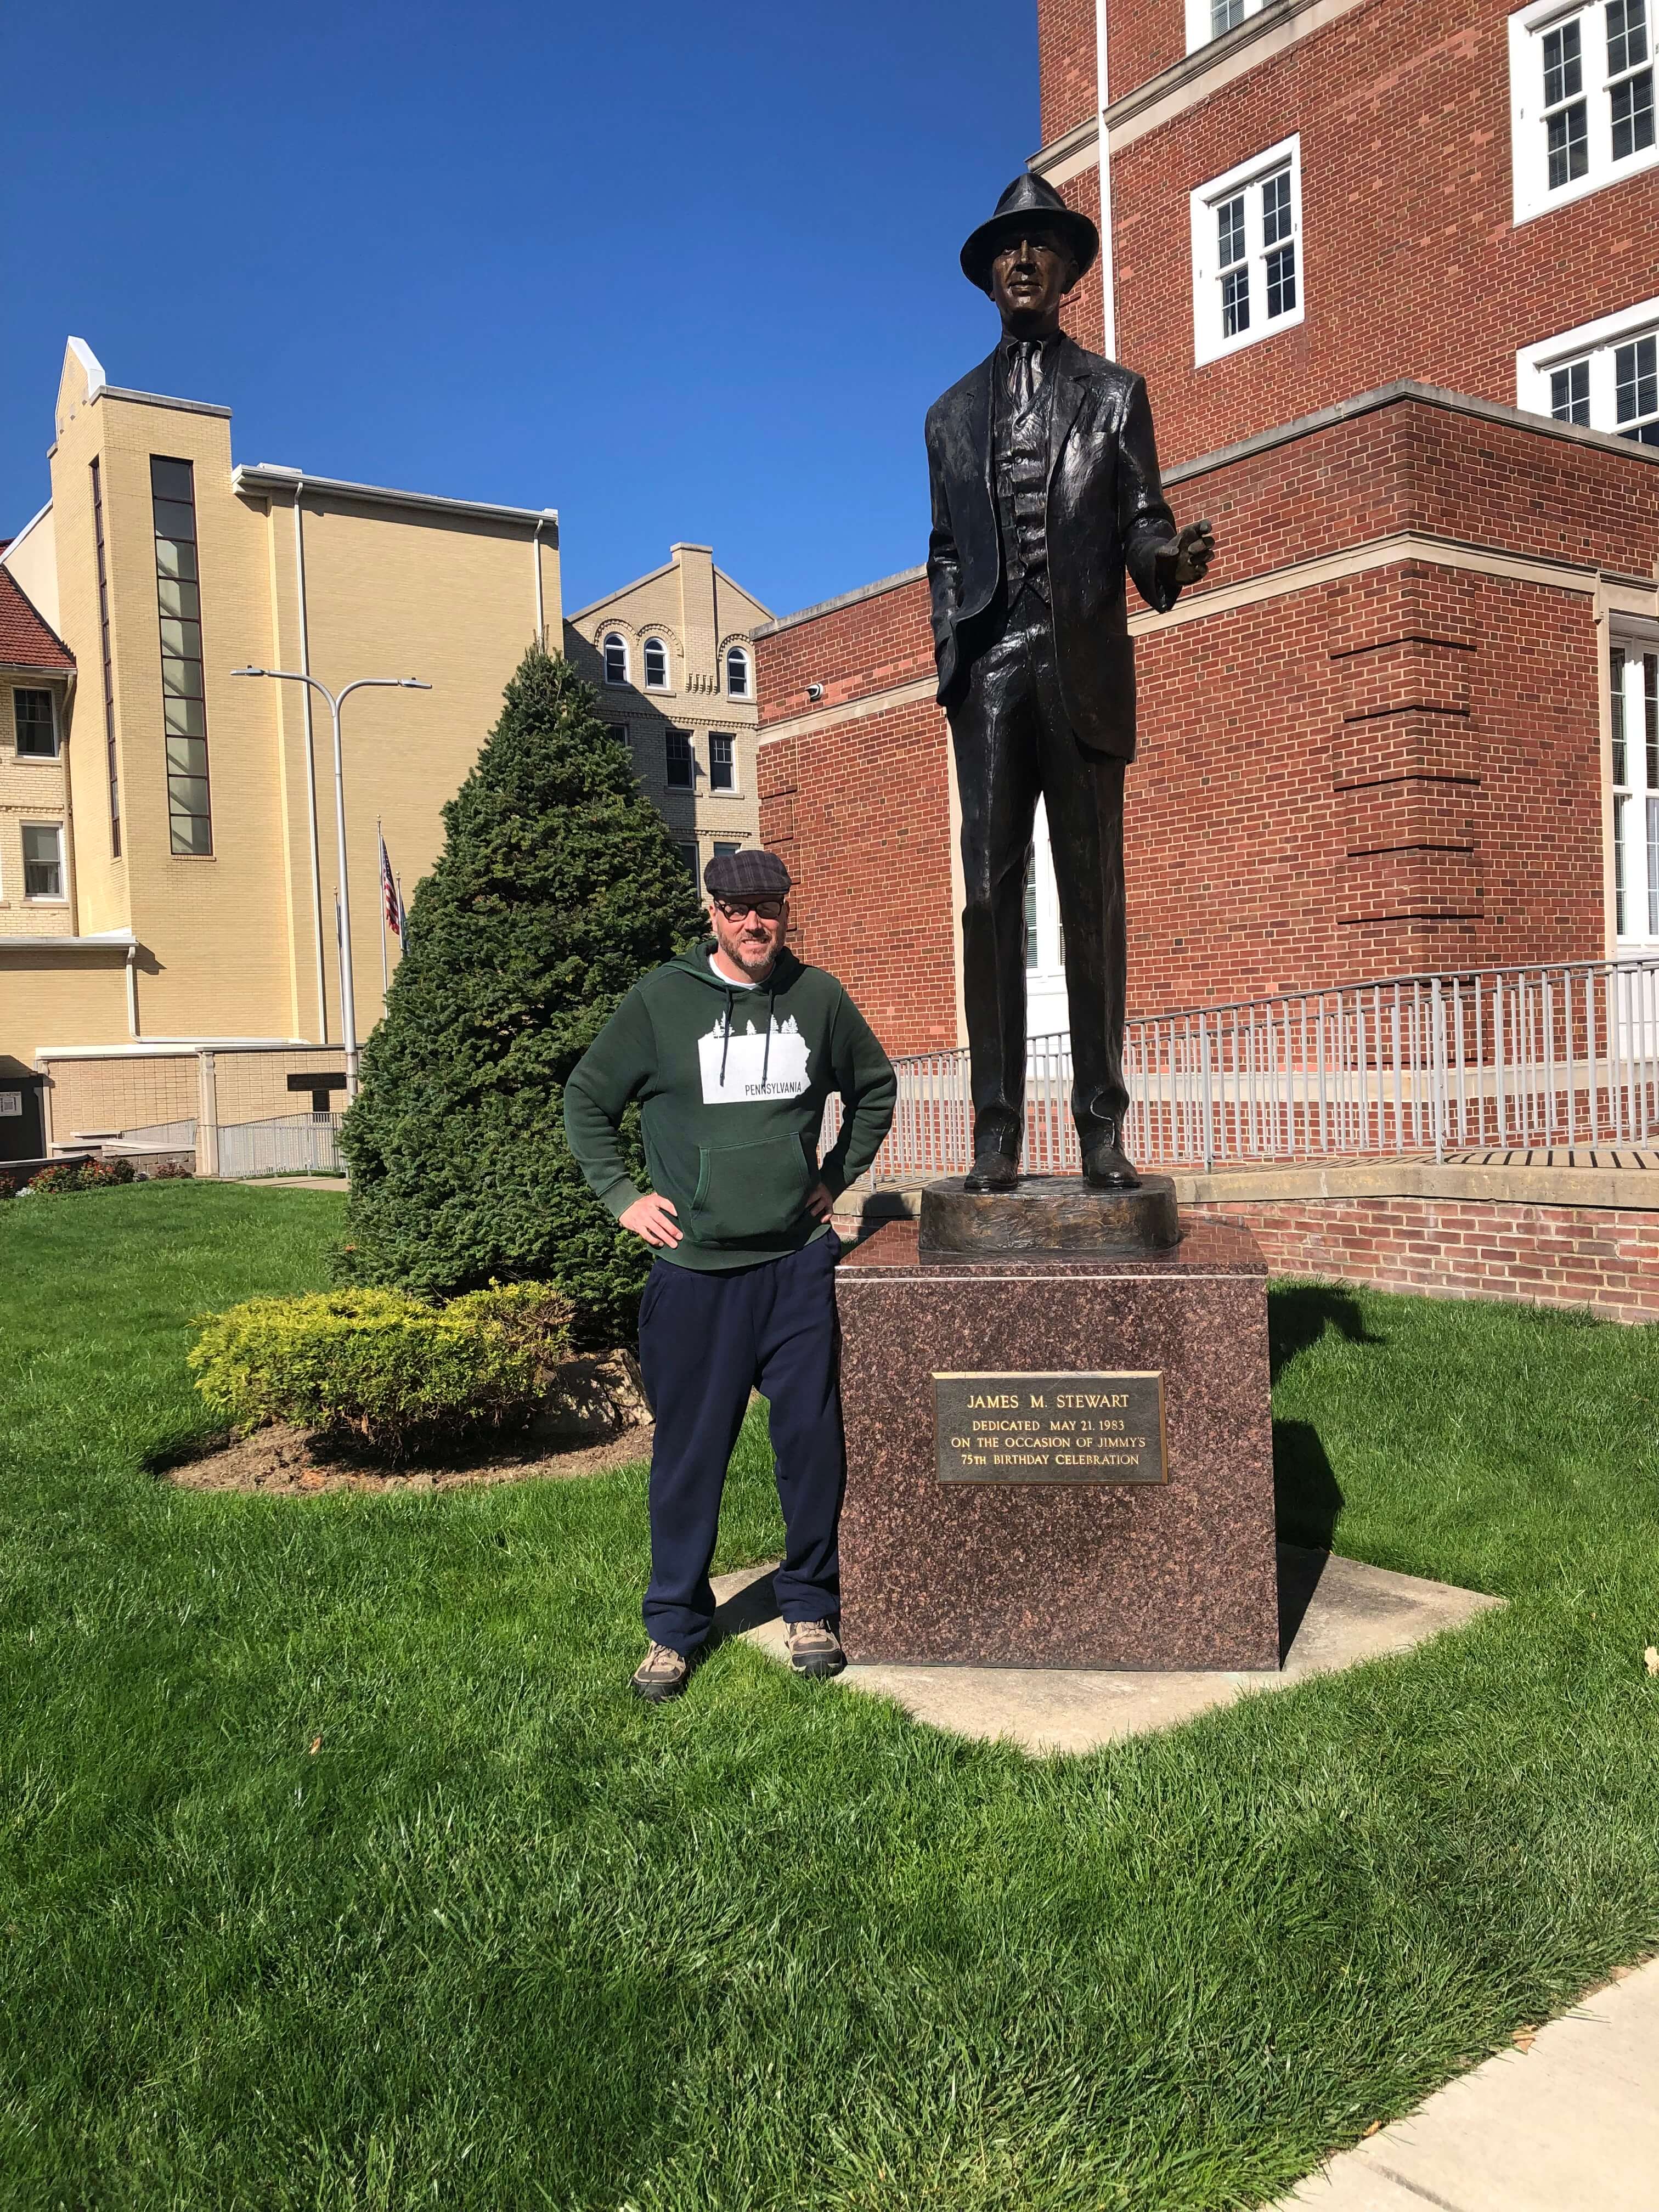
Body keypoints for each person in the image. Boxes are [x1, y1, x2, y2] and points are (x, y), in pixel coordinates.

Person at [925, 172, 1216, 1193]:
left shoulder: (1115, 394)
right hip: (991, 673)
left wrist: (1167, 565)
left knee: (1092, 902)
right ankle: (995, 1131)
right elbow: (946, 548)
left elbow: (1142, 517)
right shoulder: (949, 416)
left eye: (1040, 246)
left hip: (1082, 665)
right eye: (1007, 248)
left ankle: (1101, 1127)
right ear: (989, 276)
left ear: (1065, 270)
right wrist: (951, 653)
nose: (1021, 261)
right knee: (990, 904)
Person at [565, 846, 896, 1702]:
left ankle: (811, 1606)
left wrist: (835, 1176)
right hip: (695, 1276)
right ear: (712, 913)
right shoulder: (661, 1003)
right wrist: (621, 1197)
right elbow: (588, 1100)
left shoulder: (817, 999)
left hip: (795, 1268)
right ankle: (674, 1629)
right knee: (690, 1457)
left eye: (771, 907)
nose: (757, 923)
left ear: (785, 910)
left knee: (811, 1449)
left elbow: (874, 1086)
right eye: (739, 909)